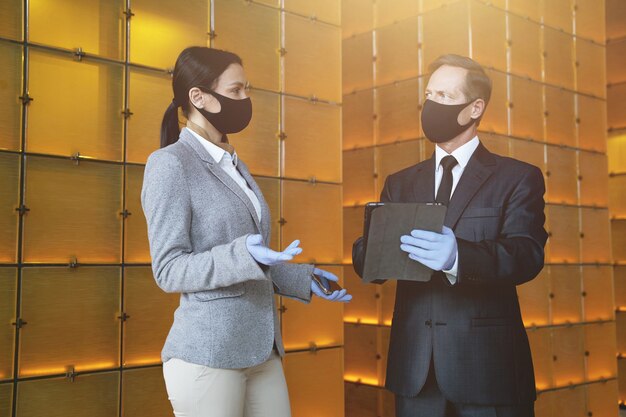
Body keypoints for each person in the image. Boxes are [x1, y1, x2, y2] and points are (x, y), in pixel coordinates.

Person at [141, 46, 351, 417]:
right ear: (198, 97)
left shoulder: (234, 163)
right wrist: (244, 255)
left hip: (262, 350)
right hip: (209, 355)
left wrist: (301, 277)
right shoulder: (170, 164)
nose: (245, 98)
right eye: (236, 90)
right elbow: (169, 269)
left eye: (246, 89)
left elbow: (250, 257)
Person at [352, 54, 547, 417]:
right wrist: (375, 249)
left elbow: (527, 253)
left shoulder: (517, 177)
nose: (431, 104)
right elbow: (368, 259)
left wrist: (459, 257)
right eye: (429, 94)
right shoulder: (401, 182)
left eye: (444, 96)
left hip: (489, 369)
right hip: (415, 371)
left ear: (474, 108)